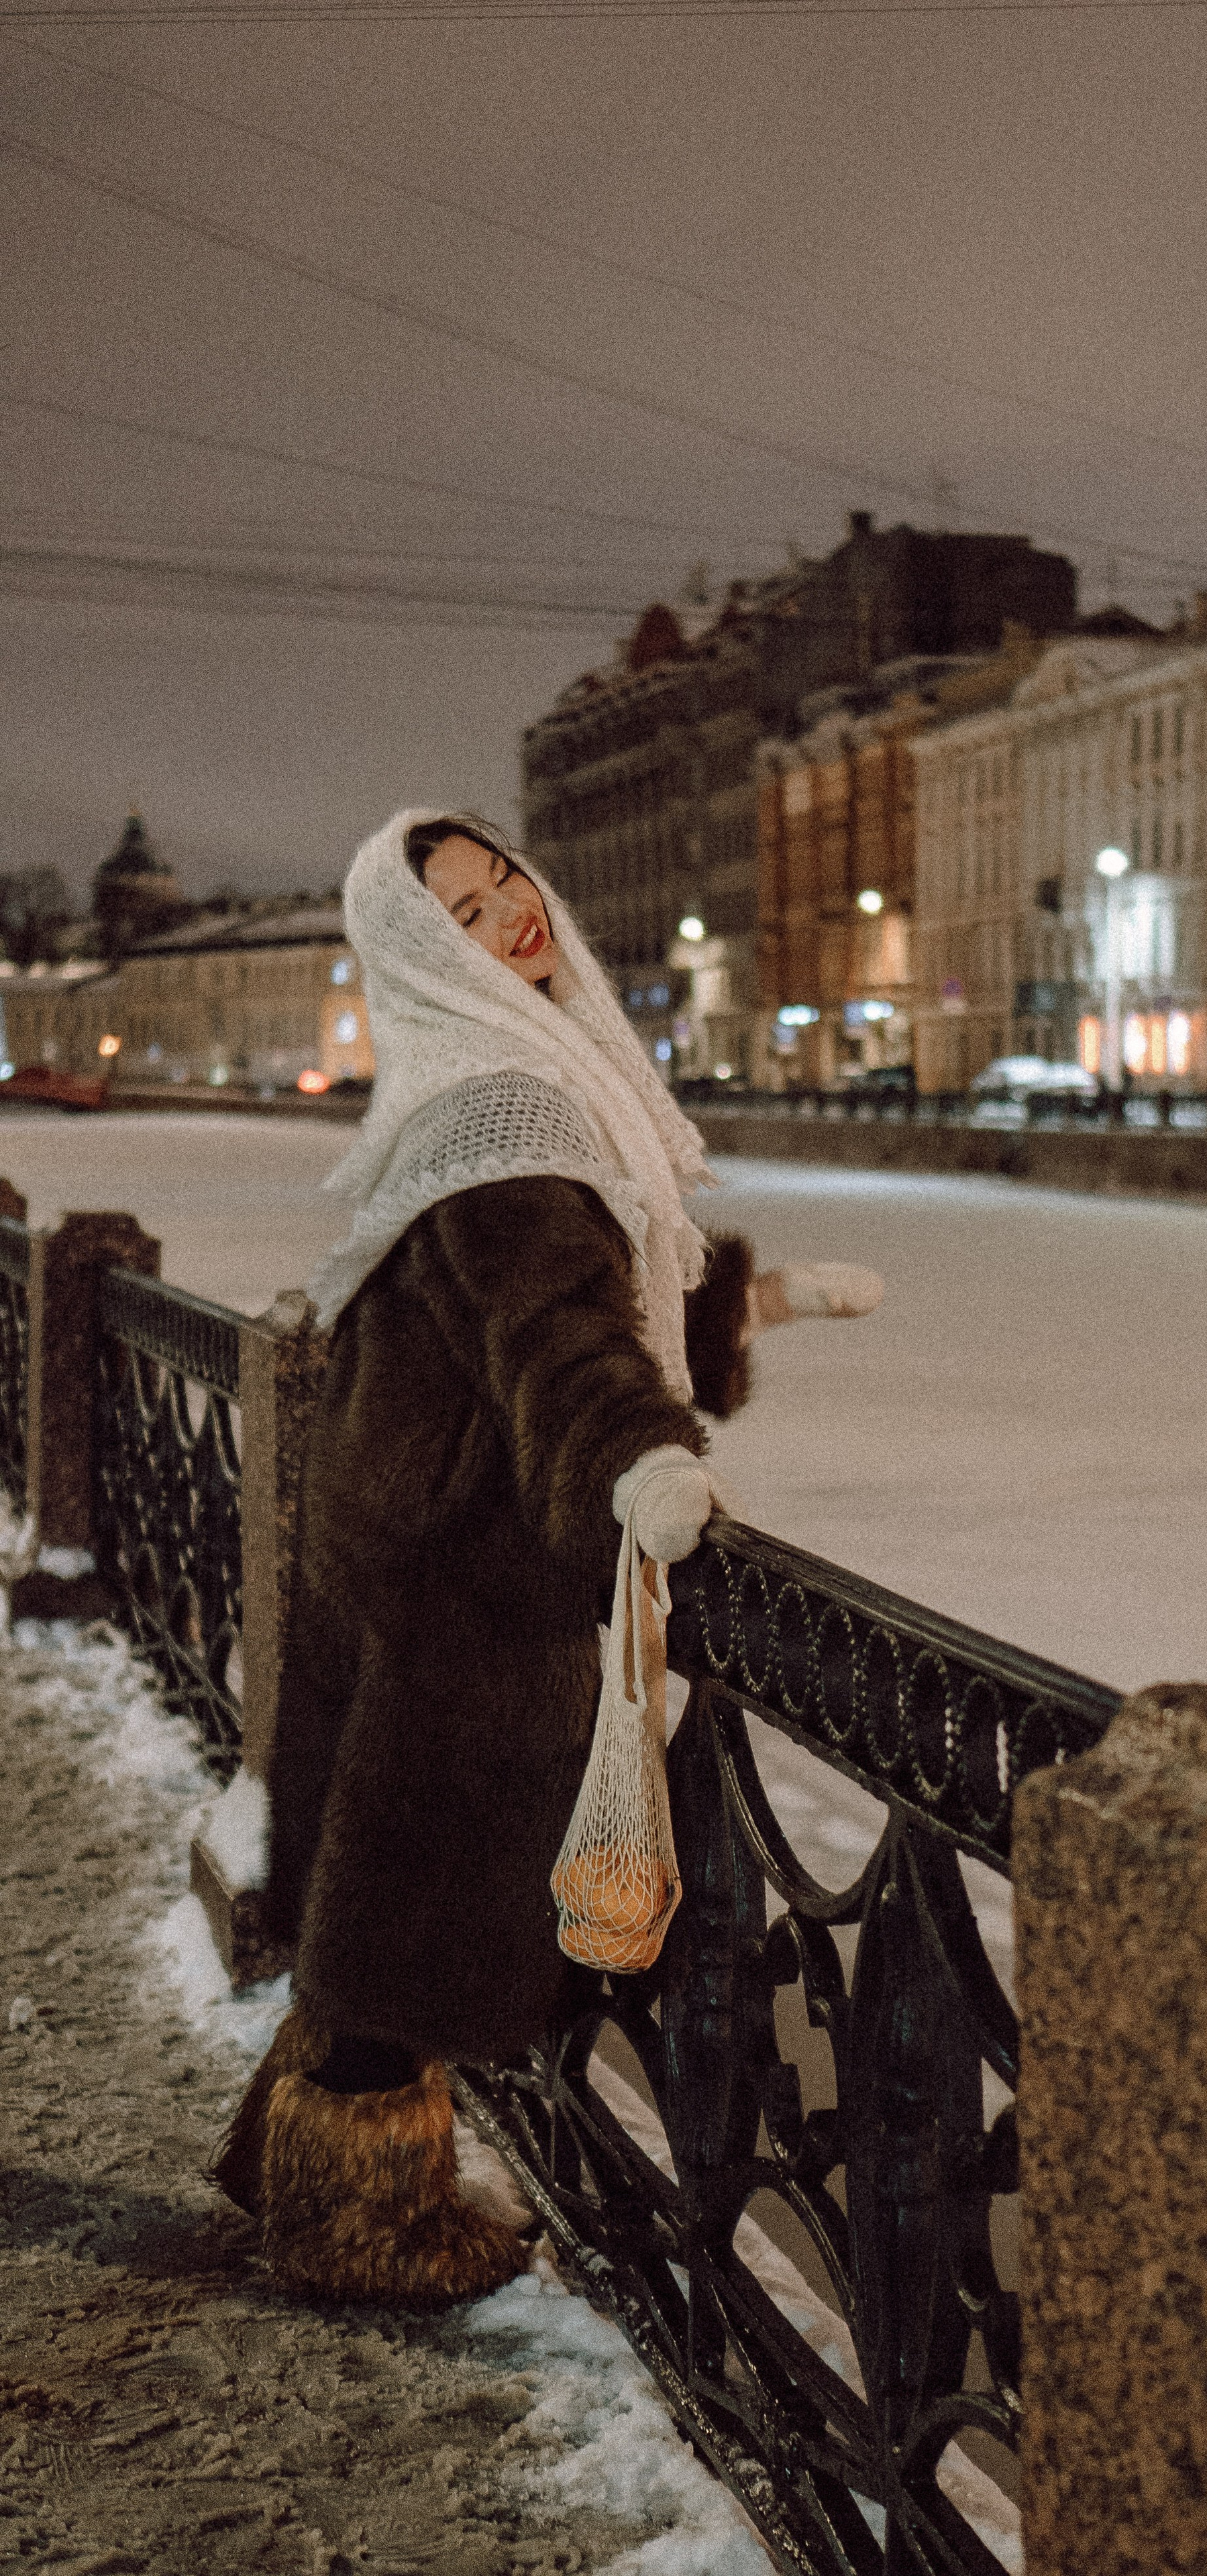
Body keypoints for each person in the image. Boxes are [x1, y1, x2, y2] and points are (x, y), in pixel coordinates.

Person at [213, 810, 880, 2306]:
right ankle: (360, 2222)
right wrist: (637, 1460)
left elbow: (572, 1288)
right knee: (415, 1913)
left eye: (501, 876)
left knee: (379, 1895)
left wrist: (743, 1309)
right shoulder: (500, 1108)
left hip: (416, 1522)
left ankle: (293, 2156)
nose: (505, 911)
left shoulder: (497, 1081)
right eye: (455, 909)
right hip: (465, 1565)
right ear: (412, 951)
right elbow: (551, 1337)